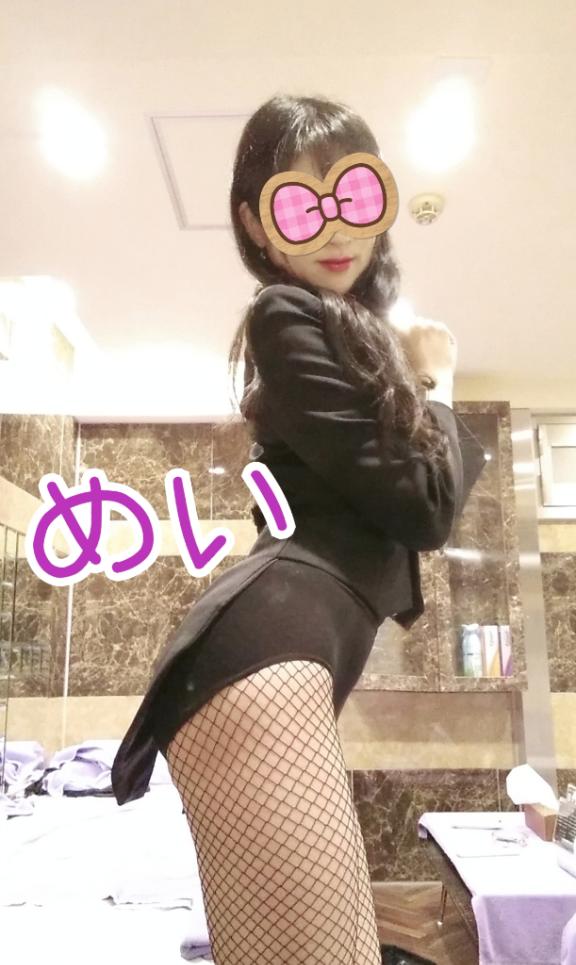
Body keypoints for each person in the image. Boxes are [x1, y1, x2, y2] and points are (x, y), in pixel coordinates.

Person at [111, 93, 488, 965]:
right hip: (259, 662)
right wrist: (438, 380)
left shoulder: (357, 339)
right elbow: (425, 508)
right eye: (298, 204)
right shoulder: (286, 315)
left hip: (283, 665)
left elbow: (414, 498)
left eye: (350, 195)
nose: (334, 226)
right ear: (257, 222)